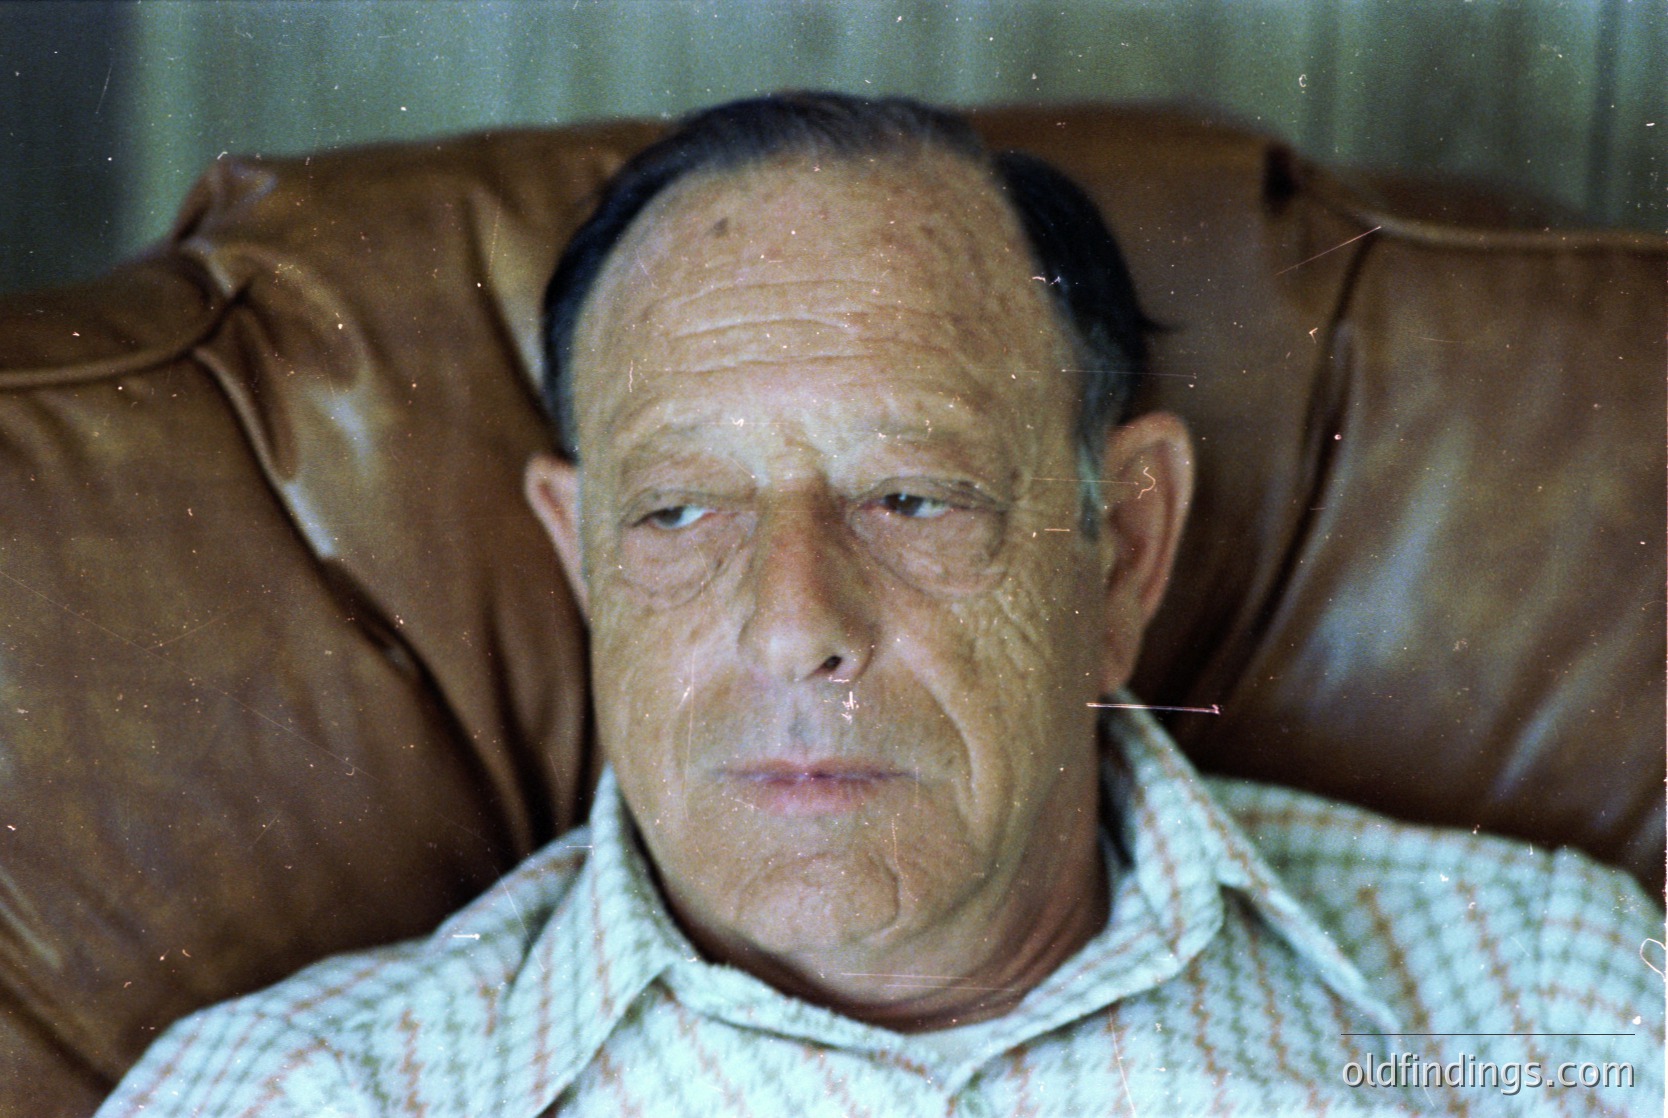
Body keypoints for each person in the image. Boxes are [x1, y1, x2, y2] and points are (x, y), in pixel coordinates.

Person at [99, 93, 1662, 1117]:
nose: (794, 624)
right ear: (582, 559)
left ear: (1119, 548)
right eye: (680, 510)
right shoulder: (294, 1094)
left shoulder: (1542, 1000)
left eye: (911, 495)